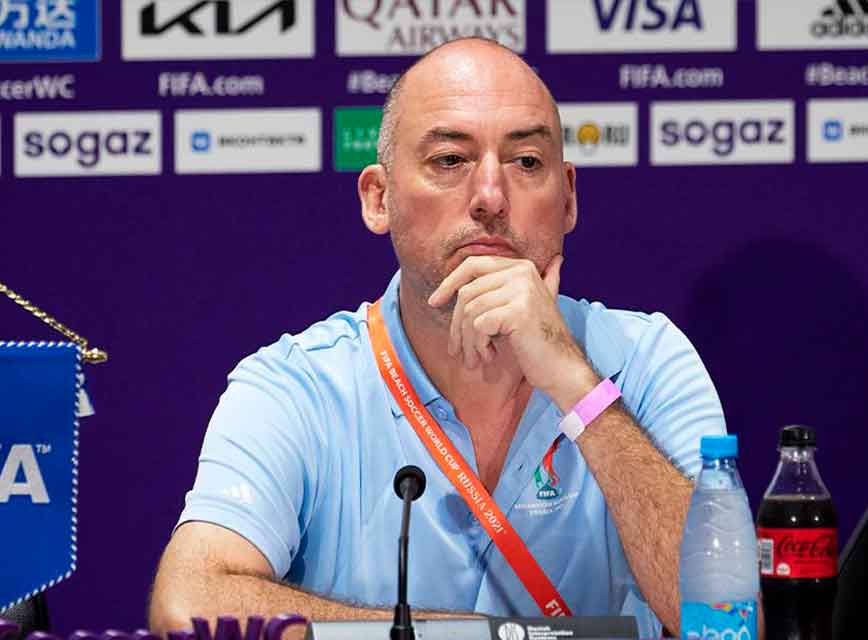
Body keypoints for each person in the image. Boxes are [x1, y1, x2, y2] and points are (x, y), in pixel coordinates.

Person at [148, 38, 726, 639]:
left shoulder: (646, 359)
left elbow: (727, 614)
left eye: (527, 162)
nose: (491, 197)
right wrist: (475, 637)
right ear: (379, 199)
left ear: (569, 198)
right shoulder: (297, 386)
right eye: (450, 160)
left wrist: (577, 385)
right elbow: (189, 604)